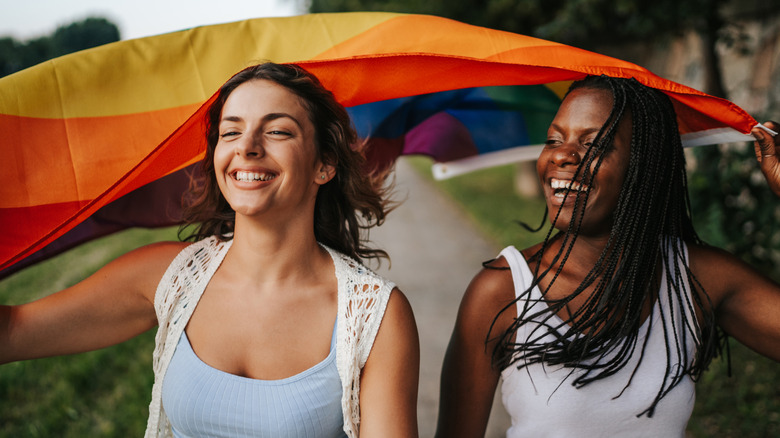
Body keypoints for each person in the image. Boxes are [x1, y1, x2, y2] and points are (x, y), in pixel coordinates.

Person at [0, 62, 420, 438]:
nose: (248, 146)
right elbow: (12, 333)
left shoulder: (374, 316)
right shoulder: (168, 276)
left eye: (276, 130)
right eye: (231, 131)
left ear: (323, 164)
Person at [435, 75, 780, 437]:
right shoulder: (502, 291)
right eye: (554, 139)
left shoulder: (697, 278)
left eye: (594, 144)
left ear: (644, 165)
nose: (562, 155)